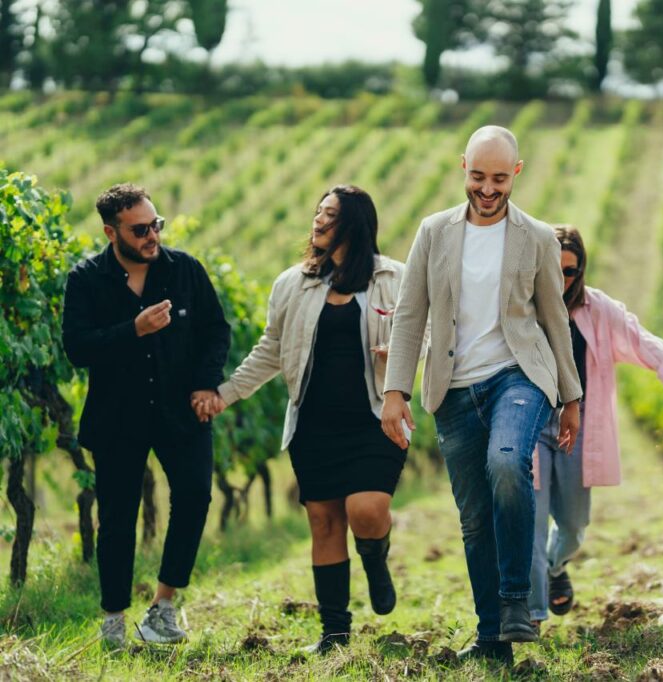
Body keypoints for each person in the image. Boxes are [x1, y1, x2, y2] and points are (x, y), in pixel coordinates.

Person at [380, 126, 582, 666]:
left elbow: (553, 318)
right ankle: (492, 638)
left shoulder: (537, 236)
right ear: (462, 167)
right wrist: (394, 390)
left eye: (498, 178)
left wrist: (571, 396)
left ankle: (517, 600)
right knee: (473, 518)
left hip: (518, 374)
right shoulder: (434, 232)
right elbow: (409, 313)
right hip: (453, 387)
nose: (487, 189)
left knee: (507, 462)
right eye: (477, 176)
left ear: (515, 173)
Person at [196, 185, 409, 654]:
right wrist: (226, 394)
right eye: (317, 212)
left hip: (376, 419)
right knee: (324, 522)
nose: (317, 222)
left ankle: (374, 558)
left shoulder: (395, 278)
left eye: (329, 216)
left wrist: (402, 357)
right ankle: (333, 635)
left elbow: (426, 338)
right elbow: (270, 349)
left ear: (354, 224)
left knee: (367, 510)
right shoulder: (293, 283)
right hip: (314, 425)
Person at [62, 183, 230, 648]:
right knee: (117, 518)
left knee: (195, 496)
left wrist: (204, 381)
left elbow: (217, 331)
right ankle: (114, 618)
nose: (152, 235)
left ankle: (164, 606)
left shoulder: (185, 271)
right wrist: (131, 330)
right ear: (111, 232)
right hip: (118, 416)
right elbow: (77, 347)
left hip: (181, 409)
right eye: (140, 229)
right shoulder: (86, 279)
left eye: (156, 224)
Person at [528, 226, 663, 625]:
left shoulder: (597, 309)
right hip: (528, 424)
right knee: (530, 521)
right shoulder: (522, 306)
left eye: (570, 271)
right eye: (553, 268)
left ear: (581, 272)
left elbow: (639, 337)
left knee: (574, 526)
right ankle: (531, 614)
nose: (561, 279)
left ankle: (554, 567)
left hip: (575, 427)